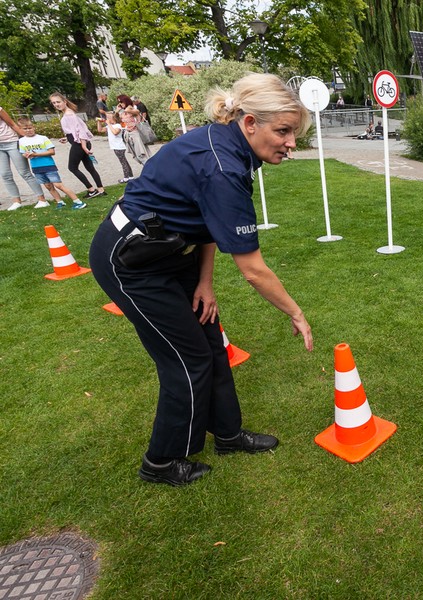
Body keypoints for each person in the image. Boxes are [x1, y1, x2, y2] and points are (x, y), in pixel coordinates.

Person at [89, 73, 314, 487]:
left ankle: (227, 434)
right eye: (283, 131)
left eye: (293, 133)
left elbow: (204, 222)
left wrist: (204, 283)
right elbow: (253, 269)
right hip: (130, 260)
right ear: (250, 123)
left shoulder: (229, 146)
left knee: (211, 343)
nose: (291, 143)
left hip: (172, 251)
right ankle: (161, 462)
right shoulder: (222, 166)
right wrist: (296, 313)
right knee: (186, 357)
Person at [49, 92, 106, 200]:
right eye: (54, 103)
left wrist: (83, 146)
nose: (56, 104)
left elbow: (81, 131)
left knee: (72, 167)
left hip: (79, 144)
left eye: (58, 102)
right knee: (89, 167)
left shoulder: (69, 114)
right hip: (79, 142)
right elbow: (76, 130)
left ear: (64, 101)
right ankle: (101, 189)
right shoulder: (68, 113)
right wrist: (68, 138)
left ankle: (91, 190)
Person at [17, 118, 83, 209]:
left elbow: (52, 152)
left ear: (34, 127)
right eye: (25, 129)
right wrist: (27, 155)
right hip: (36, 167)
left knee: (58, 185)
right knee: (48, 186)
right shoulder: (21, 141)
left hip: (48, 165)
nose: (28, 130)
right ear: (21, 129)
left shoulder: (43, 138)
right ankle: (60, 202)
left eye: (30, 128)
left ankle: (77, 201)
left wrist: (36, 154)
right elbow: (23, 153)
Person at [1, 106, 48, 211]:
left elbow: (12, 124)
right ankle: (16, 202)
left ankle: (42, 200)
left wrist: (27, 139)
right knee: (5, 175)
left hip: (12, 142)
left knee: (24, 172)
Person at [98, 111, 135, 183]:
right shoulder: (110, 126)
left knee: (123, 162)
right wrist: (99, 122)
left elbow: (115, 132)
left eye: (108, 117)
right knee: (124, 161)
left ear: (113, 118)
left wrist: (108, 124)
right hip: (115, 146)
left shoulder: (118, 125)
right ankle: (130, 176)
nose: (107, 119)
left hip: (119, 146)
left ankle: (126, 178)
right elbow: (100, 130)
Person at [116, 95, 151, 164]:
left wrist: (126, 107)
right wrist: (117, 111)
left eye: (121, 102)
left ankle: (150, 168)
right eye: (119, 102)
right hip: (128, 134)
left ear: (125, 101)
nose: (120, 104)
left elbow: (137, 113)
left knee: (141, 155)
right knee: (137, 155)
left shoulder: (132, 108)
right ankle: (149, 167)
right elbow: (117, 120)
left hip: (135, 132)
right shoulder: (123, 111)